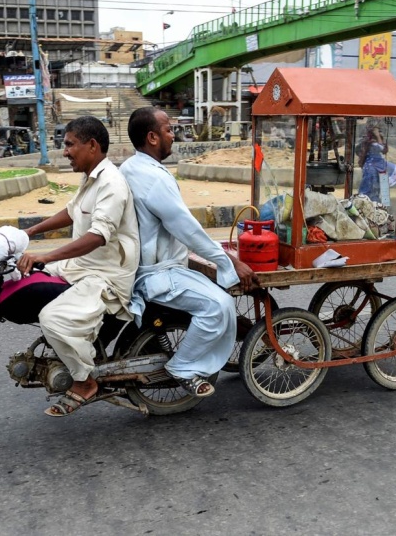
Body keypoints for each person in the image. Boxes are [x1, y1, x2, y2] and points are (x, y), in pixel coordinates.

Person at [119, 107, 259, 398]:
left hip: (154, 265)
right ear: (152, 137)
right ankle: (181, 367)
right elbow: (187, 228)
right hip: (158, 274)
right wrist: (230, 261)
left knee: (212, 291)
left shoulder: (131, 167)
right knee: (218, 305)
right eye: (169, 130)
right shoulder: (154, 178)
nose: (174, 135)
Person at [16, 116, 139, 417]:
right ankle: (74, 350)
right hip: (82, 266)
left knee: (53, 318)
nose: (65, 152)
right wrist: (28, 233)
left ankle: (85, 382)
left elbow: (98, 236)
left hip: (105, 275)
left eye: (70, 144)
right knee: (21, 280)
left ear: (92, 145)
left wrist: (46, 257)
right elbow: (72, 213)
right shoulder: (92, 177)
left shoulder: (111, 183)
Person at [358, 121, 396, 204]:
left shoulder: (378, 140)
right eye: (377, 130)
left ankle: (382, 209)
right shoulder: (369, 141)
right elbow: (381, 148)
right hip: (372, 168)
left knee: (383, 193)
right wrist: (377, 135)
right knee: (369, 190)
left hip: (381, 168)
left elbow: (384, 150)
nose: (379, 132)